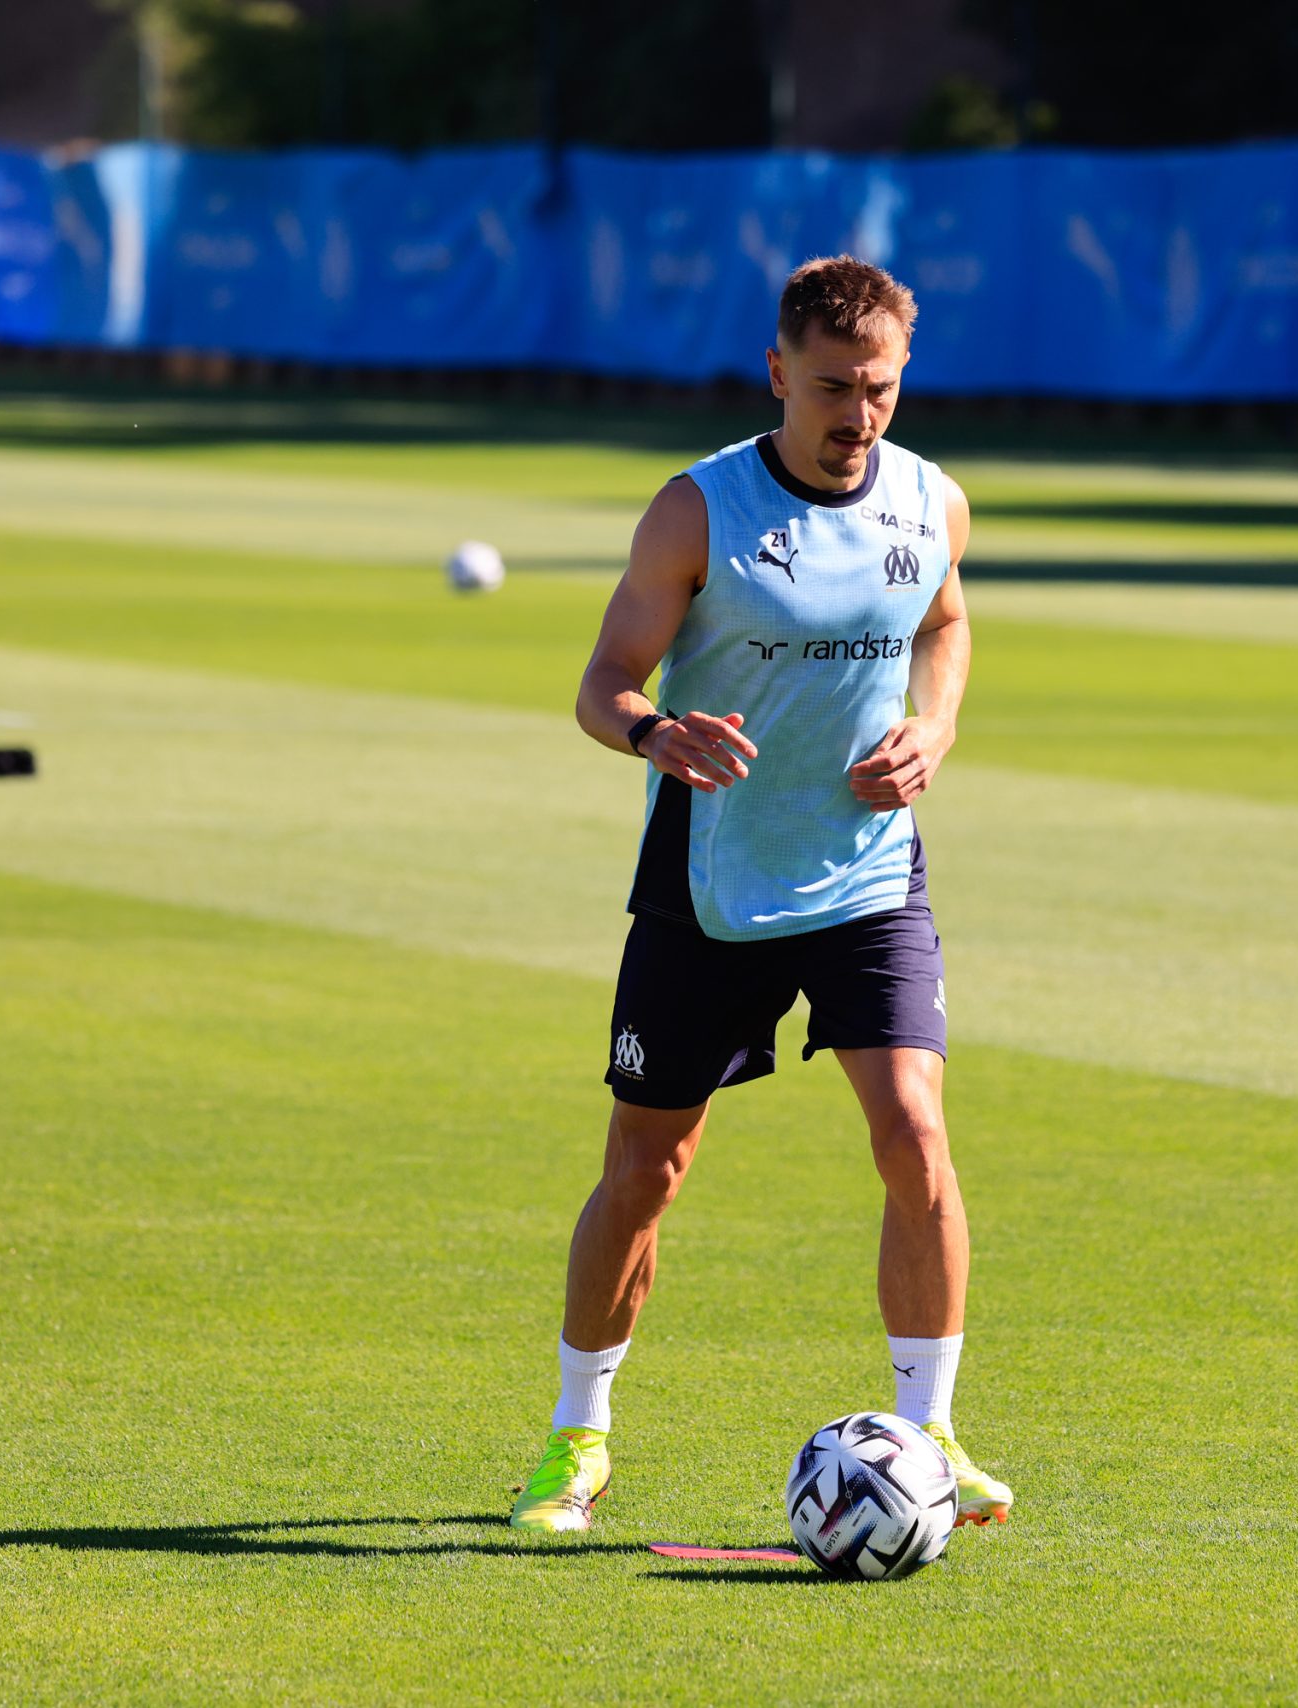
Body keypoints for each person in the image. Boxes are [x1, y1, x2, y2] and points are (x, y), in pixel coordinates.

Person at [510, 256, 1012, 1533]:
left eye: (882, 389)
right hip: (710, 883)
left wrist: (933, 730)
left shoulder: (929, 500)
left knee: (915, 1130)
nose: (860, 415)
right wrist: (654, 732)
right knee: (647, 1170)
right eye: (835, 387)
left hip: (865, 873)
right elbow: (603, 680)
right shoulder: (699, 510)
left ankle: (935, 1429)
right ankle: (579, 1439)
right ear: (778, 372)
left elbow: (945, 624)